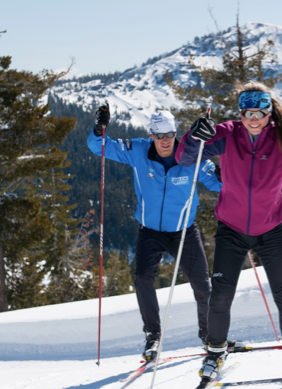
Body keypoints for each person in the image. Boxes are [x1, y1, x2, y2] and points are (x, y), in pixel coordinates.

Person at [177, 83, 282, 380]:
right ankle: (215, 354)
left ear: (269, 112)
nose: (253, 119)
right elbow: (185, 158)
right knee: (221, 296)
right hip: (231, 229)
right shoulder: (226, 133)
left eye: (260, 112)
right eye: (247, 112)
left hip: (271, 228)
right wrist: (192, 137)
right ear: (240, 113)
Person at [89, 105, 223, 363]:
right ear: (150, 135)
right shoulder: (137, 150)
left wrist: (227, 170)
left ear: (176, 134)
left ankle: (210, 336)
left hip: (184, 231)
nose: (164, 141)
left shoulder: (192, 156)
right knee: (142, 278)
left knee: (203, 286)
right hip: (149, 231)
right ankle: (153, 335)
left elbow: (218, 182)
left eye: (169, 135)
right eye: (158, 135)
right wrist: (99, 129)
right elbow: (100, 146)